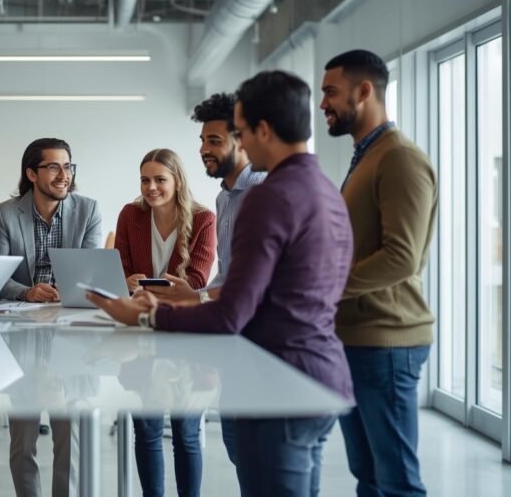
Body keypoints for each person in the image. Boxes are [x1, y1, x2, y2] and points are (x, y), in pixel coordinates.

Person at [89, 70, 355, 497]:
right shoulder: (323, 188)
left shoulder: (268, 197)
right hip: (318, 373)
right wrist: (194, 298)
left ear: (261, 130)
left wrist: (146, 318)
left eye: (240, 132)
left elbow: (233, 311)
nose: (238, 144)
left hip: (277, 382)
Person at [320, 49, 437, 497]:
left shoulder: (399, 158)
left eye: (331, 92)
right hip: (355, 338)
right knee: (368, 475)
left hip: (386, 341)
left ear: (364, 90)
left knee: (396, 481)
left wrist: (325, 288)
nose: (323, 103)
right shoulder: (367, 155)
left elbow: (402, 257)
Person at [144, 93, 267, 467]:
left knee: (261, 458)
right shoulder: (225, 198)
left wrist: (195, 297)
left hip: (261, 344)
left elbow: (258, 280)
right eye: (202, 140)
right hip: (233, 340)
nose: (203, 149)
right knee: (238, 448)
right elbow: (227, 274)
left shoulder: (263, 192)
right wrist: (196, 294)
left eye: (214, 140)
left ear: (242, 139)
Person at [0, 138, 103, 497]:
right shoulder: (5, 213)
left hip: (69, 327)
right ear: (31, 173)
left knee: (69, 437)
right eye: (53, 167)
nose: (63, 175)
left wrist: (66, 290)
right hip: (22, 327)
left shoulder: (87, 210)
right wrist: (27, 291)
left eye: (68, 166)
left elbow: (90, 272)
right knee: (23, 441)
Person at [114, 148, 215, 497]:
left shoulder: (203, 219)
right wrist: (126, 281)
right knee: (146, 430)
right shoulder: (130, 214)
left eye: (160, 179)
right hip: (142, 329)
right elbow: (120, 270)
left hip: (185, 332)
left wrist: (143, 287)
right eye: (145, 180)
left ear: (177, 181)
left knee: (186, 432)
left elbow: (196, 281)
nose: (151, 187)